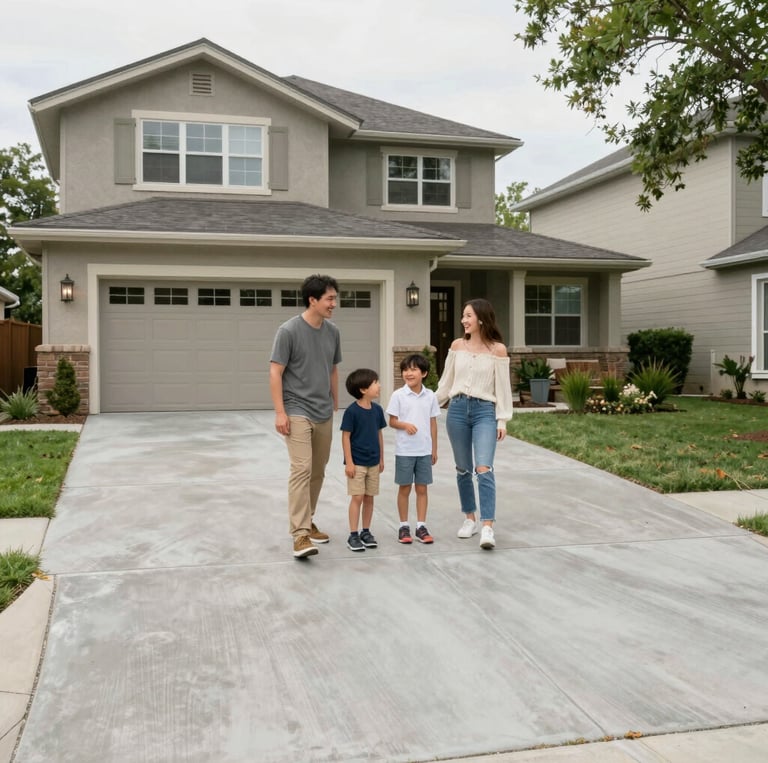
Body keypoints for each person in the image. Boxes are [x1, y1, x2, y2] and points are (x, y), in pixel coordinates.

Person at [270, 274, 342, 559]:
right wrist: (280, 412)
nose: (334, 304)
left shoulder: (333, 331)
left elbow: (333, 367)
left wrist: (335, 399)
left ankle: (308, 521)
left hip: (323, 409)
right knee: (301, 468)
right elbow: (275, 371)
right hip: (296, 408)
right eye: (330, 299)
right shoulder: (288, 331)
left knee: (318, 470)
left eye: (335, 298)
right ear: (313, 299)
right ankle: (299, 535)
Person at [435, 298, 513, 550]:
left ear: (481, 318)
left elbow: (503, 388)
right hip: (456, 409)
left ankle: (487, 526)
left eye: (468, 316)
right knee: (463, 468)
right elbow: (446, 384)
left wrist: (502, 419)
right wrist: (425, 406)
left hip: (484, 412)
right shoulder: (457, 345)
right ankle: (470, 518)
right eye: (462, 316)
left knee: (483, 468)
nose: (463, 320)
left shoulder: (497, 350)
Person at [386, 353, 440, 544]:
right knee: (404, 488)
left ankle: (421, 526)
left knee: (422, 488)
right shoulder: (398, 395)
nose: (408, 373)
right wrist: (404, 425)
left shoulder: (430, 396)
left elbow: (433, 423)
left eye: (413, 369)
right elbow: (392, 421)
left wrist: (434, 449)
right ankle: (403, 526)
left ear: (424, 373)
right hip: (405, 451)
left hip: (424, 451)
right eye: (406, 370)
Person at [340, 369, 387, 552]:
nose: (379, 386)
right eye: (375, 383)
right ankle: (353, 534)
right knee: (357, 497)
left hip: (373, 462)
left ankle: (366, 531)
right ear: (363, 389)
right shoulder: (352, 412)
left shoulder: (377, 410)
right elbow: (346, 437)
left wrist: (381, 458)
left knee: (369, 497)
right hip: (357, 462)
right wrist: (349, 462)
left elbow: (379, 434)